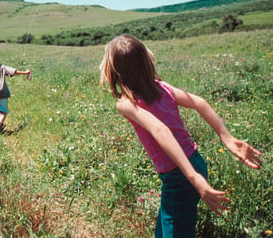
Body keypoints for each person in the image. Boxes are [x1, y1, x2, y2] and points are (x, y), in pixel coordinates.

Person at [100, 35, 262, 237]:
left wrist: (192, 177)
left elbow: (161, 130)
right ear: (146, 62)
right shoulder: (162, 87)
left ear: (113, 71)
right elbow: (199, 102)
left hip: (180, 175)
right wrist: (226, 138)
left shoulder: (126, 104)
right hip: (194, 162)